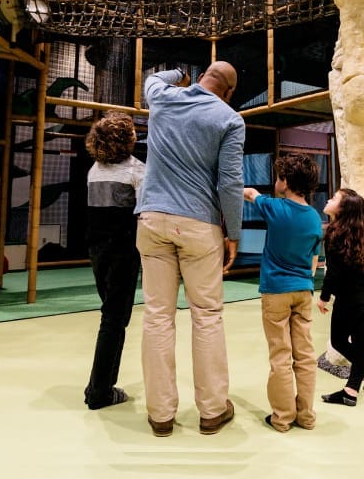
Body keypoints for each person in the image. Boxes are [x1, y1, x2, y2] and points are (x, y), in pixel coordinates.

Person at [136, 62, 245, 437]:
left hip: (151, 219)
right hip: (199, 225)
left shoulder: (164, 98)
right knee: (207, 315)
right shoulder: (230, 119)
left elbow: (151, 77)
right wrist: (234, 232)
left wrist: (179, 72)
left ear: (201, 78)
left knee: (157, 316)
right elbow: (230, 181)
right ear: (228, 92)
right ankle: (213, 410)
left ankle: (161, 415)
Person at [244, 154, 323, 433]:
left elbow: (251, 194)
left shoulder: (275, 208)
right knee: (304, 355)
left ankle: (282, 417)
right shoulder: (314, 217)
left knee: (280, 355)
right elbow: (314, 260)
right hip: (304, 292)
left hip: (276, 291)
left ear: (286, 182)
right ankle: (306, 415)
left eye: (279, 176)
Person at [83, 111, 145, 410]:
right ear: (125, 139)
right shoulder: (137, 171)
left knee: (111, 317)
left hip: (97, 251)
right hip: (122, 252)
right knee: (114, 320)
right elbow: (144, 213)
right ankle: (100, 391)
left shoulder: (93, 170)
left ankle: (100, 383)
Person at [317, 188, 364, 406]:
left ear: (343, 209)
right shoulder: (358, 233)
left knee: (339, 341)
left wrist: (324, 297)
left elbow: (334, 272)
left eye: (334, 198)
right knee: (359, 345)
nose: (329, 199)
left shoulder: (334, 234)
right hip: (363, 297)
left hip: (348, 300)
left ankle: (355, 387)